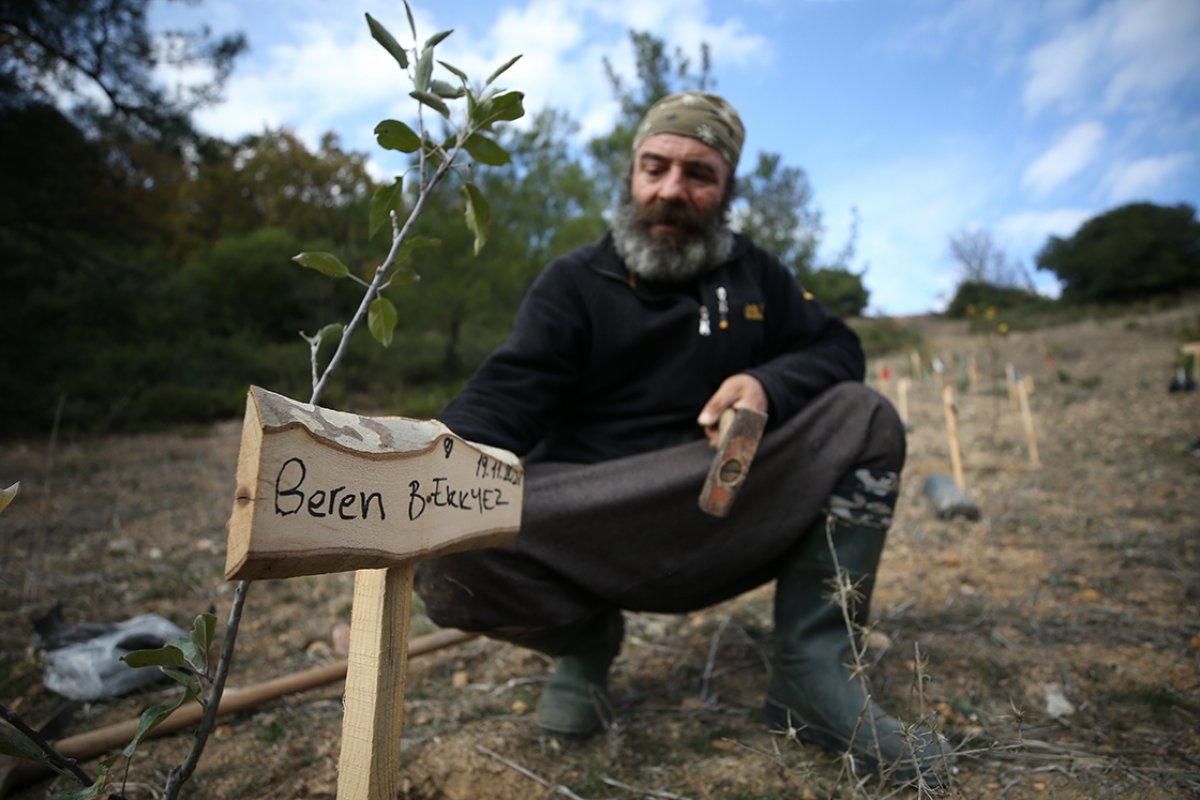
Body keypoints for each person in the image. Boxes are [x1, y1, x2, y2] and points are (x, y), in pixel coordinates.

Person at [415, 91, 943, 781]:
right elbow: (510, 391)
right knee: (446, 542)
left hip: (722, 508)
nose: (671, 190)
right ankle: (584, 642)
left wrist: (767, 383)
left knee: (865, 415)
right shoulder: (574, 282)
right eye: (655, 167)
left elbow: (838, 347)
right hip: (590, 518)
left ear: (726, 191)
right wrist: (425, 469)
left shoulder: (755, 275)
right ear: (631, 174)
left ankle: (812, 674)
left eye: (698, 174)